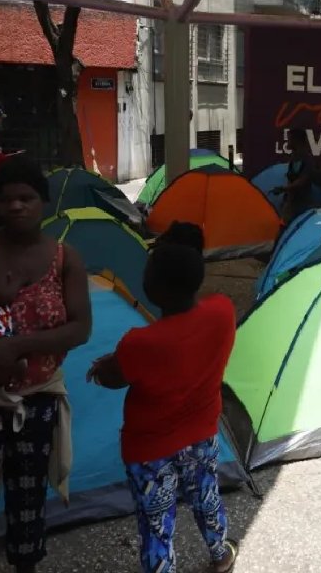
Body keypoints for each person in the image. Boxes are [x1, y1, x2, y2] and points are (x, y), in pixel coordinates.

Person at [88, 223, 238, 573]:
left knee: (157, 527)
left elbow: (113, 379)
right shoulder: (222, 311)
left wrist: (101, 368)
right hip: (202, 435)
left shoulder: (139, 342)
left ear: (154, 288)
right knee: (206, 497)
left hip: (149, 450)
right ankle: (220, 554)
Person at [0, 154, 91, 573]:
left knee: (28, 499)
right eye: (6, 199)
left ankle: (25, 566)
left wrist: (18, 348)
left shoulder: (65, 259)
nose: (16, 206)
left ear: (43, 202)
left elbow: (81, 327)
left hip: (37, 400)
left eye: (26, 198)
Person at [274, 128, 316, 223]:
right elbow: (292, 179)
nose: (287, 142)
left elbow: (302, 180)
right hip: (291, 203)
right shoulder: (294, 158)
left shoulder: (307, 159)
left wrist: (284, 188)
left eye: (289, 139)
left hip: (302, 205)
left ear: (297, 141)